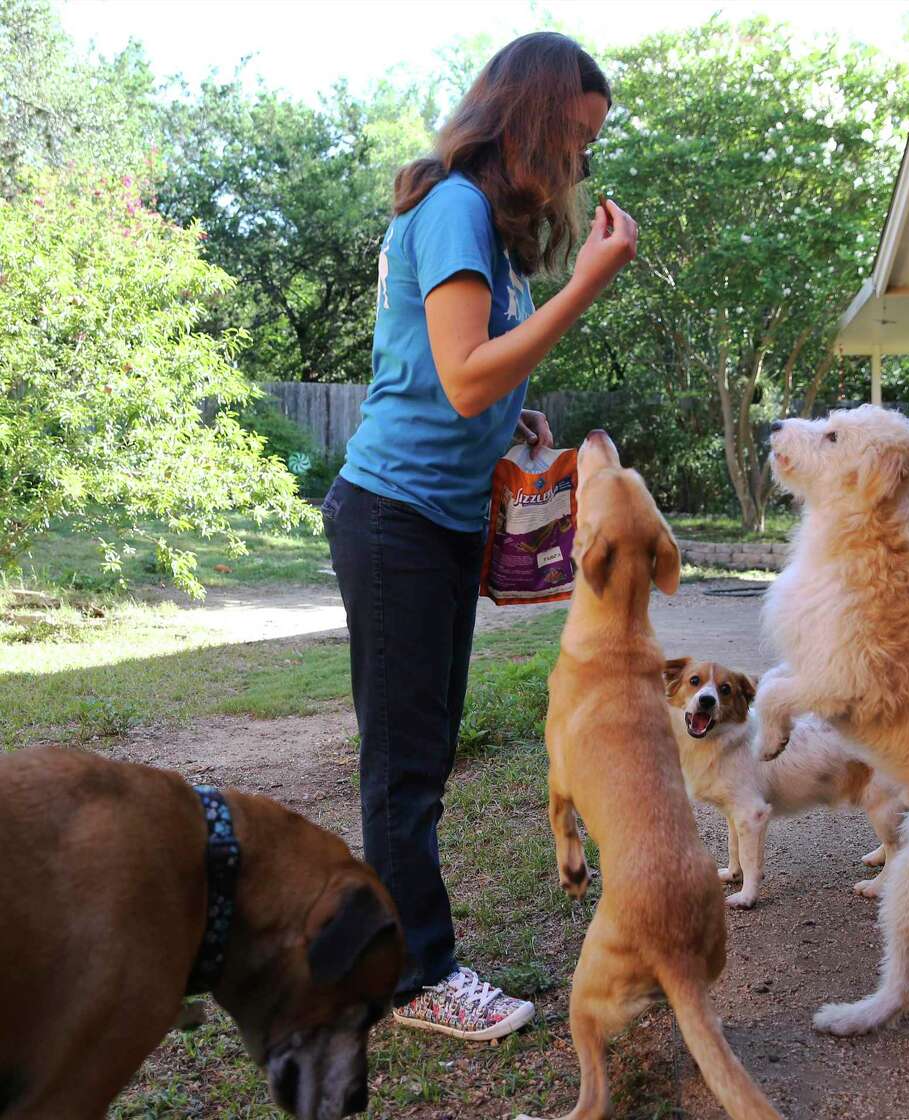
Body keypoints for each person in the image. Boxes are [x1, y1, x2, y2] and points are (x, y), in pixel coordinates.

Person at [321, 31, 637, 1042]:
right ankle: (417, 978)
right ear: (534, 121)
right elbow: (462, 374)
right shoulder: (454, 205)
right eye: (576, 136)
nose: (582, 162)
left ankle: (393, 952)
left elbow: (469, 382)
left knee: (422, 757)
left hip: (438, 518)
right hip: (396, 515)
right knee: (403, 770)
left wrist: (517, 420)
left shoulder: (486, 234)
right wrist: (586, 285)